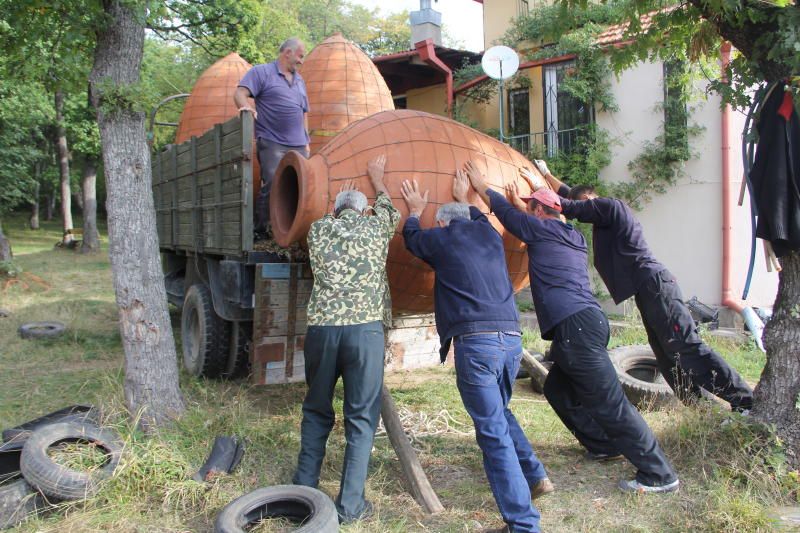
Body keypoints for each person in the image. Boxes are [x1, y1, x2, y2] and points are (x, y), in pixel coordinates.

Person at [464, 161, 679, 494]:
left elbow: (508, 214)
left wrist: (483, 188)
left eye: (531, 206)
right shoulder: (571, 234)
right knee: (558, 390)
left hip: (577, 327)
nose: (528, 211)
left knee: (612, 404)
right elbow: (535, 213)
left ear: (539, 211)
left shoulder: (542, 229)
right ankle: (604, 444)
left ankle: (660, 473)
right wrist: (535, 203)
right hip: (583, 325)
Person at [529, 160, 754, 412]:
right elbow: (569, 197)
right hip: (647, 291)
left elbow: (570, 205)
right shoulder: (604, 218)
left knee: (686, 346)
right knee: (668, 358)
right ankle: (704, 412)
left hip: (656, 286)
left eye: (585, 202)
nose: (584, 208)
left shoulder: (611, 206)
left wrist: (540, 192)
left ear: (592, 198)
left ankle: (745, 400)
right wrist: (548, 175)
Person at [400, 170, 552, 533]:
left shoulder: (441, 239)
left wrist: (413, 210)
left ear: (441, 222)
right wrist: (465, 197)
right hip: (511, 340)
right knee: (500, 413)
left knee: (492, 431)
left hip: (478, 344)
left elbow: (411, 238)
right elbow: (478, 216)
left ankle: (524, 524)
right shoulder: (488, 234)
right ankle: (535, 475)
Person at [292, 155, 400, 523]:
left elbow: (321, 212)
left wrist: (335, 199)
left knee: (316, 409)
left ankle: (303, 490)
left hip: (322, 331)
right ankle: (351, 505)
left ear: (336, 211)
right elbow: (390, 210)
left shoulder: (318, 231)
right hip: (364, 332)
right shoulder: (376, 228)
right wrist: (378, 181)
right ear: (365, 209)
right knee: (360, 418)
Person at [234, 37, 310, 239]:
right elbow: (240, 93)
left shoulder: (300, 81)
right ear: (288, 53)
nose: (301, 61)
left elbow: (304, 112)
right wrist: (246, 108)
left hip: (299, 144)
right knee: (273, 182)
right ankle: (262, 232)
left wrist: (307, 141)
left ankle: (290, 232)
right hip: (272, 140)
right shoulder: (262, 72)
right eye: (300, 56)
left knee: (301, 185)